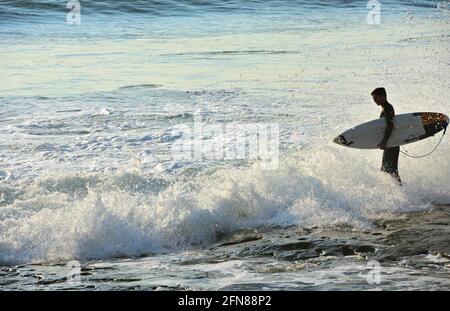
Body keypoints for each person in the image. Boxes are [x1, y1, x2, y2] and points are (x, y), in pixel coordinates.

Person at [371, 87, 402, 185]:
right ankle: (396, 190)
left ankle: (401, 189)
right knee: (385, 169)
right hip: (390, 143)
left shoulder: (388, 108)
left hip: (391, 144)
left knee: (392, 170)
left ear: (382, 96)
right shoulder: (386, 108)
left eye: (376, 98)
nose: (374, 101)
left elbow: (390, 126)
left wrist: (384, 141)